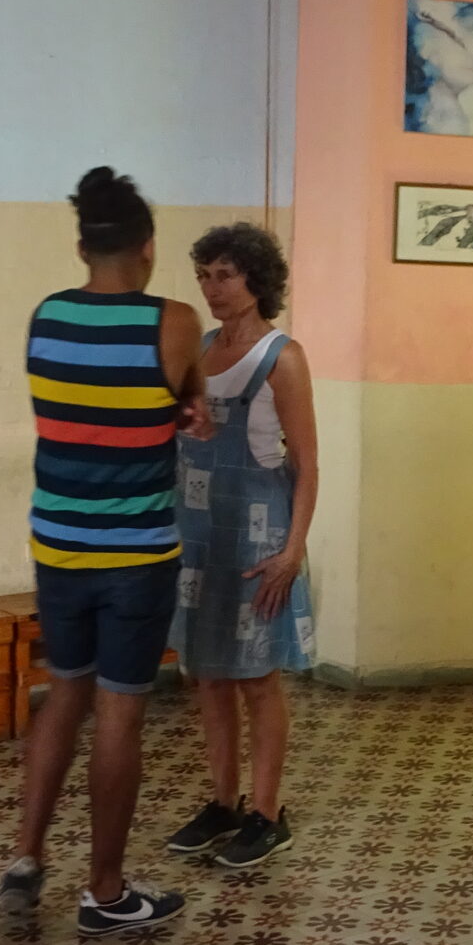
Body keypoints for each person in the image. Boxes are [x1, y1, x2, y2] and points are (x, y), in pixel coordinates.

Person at [0, 167, 210, 931]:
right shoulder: (174, 321)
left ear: (83, 246)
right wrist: (186, 407)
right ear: (147, 247)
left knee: (65, 693)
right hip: (136, 555)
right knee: (120, 714)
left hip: (59, 547)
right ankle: (107, 891)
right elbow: (190, 399)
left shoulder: (46, 316)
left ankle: (25, 859)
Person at [166, 223, 317, 872]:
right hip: (200, 536)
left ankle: (266, 813)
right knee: (208, 674)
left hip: (259, 536)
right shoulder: (200, 350)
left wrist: (292, 550)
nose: (212, 288)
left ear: (257, 279)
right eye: (204, 275)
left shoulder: (283, 357)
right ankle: (223, 802)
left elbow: (307, 464)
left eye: (225, 275)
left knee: (257, 677)